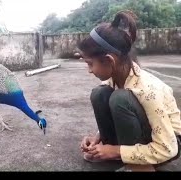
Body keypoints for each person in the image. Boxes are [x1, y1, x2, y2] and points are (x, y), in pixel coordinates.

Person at [77, 10, 181, 172]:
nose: (89, 70)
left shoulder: (147, 89)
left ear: (110, 60)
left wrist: (115, 150)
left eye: (90, 63)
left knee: (120, 99)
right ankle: (121, 156)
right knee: (100, 94)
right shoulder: (114, 78)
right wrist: (98, 140)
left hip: (169, 142)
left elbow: (168, 148)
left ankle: (139, 166)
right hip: (145, 138)